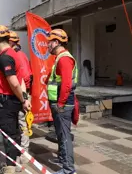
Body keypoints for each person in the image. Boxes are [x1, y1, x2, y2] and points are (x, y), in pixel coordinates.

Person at [0, 25, 31, 174]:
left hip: (6, 103)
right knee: (14, 134)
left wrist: (23, 99)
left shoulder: (5, 57)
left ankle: (10, 169)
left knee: (8, 137)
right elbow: (21, 81)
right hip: (13, 101)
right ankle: (16, 164)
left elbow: (14, 82)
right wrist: (24, 99)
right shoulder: (14, 54)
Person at [46, 29, 77, 174]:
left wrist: (60, 104)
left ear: (56, 42)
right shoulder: (59, 58)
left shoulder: (64, 58)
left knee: (65, 136)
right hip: (60, 103)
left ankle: (68, 169)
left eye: (49, 43)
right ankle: (63, 160)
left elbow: (66, 84)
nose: (47, 46)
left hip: (63, 104)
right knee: (60, 134)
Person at [9, 30, 33, 164]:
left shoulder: (19, 56)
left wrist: (23, 97)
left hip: (20, 95)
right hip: (16, 95)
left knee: (22, 124)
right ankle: (18, 150)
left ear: (12, 41)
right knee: (17, 124)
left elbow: (25, 78)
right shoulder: (15, 54)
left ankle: (24, 153)